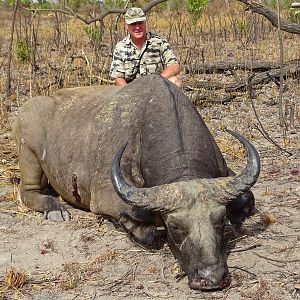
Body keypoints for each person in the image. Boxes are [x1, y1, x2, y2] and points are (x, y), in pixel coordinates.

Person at [110, 7, 181, 87]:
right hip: (131, 91)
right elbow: (118, 78)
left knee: (175, 81)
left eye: (140, 23)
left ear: (145, 23)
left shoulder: (159, 42)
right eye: (133, 24)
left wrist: (156, 81)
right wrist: (129, 93)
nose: (137, 27)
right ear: (126, 26)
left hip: (156, 87)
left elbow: (175, 66)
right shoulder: (120, 47)